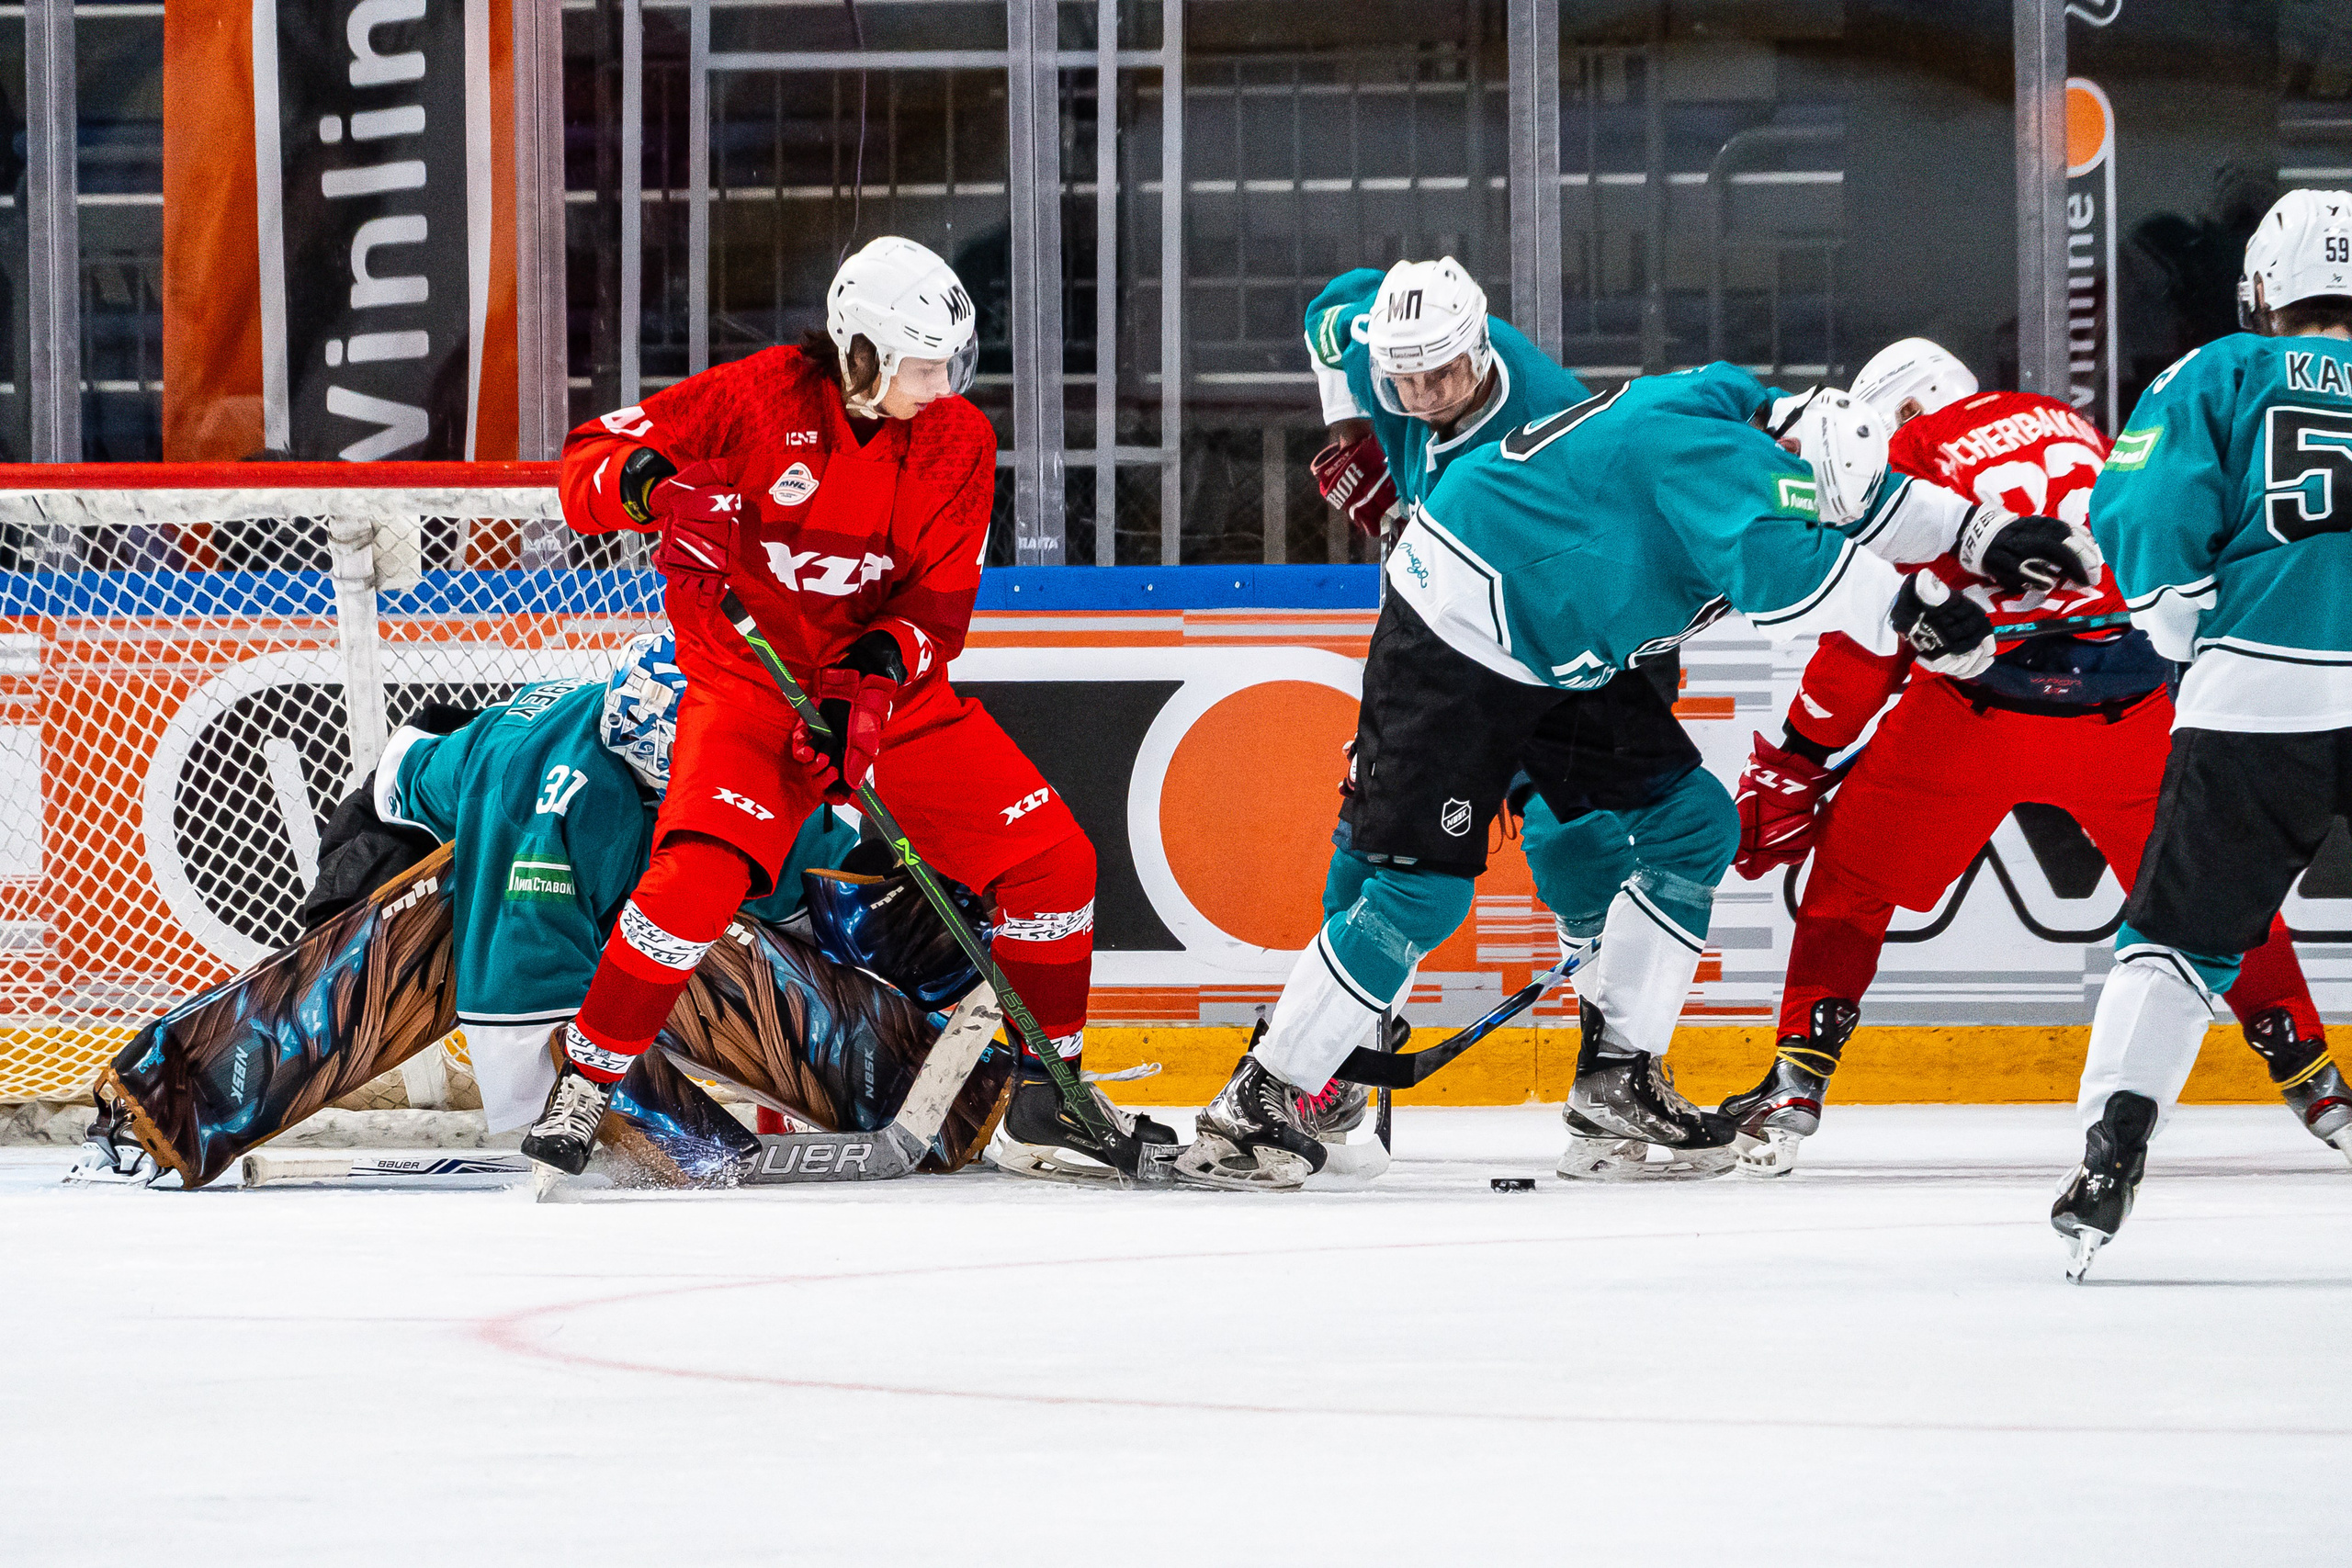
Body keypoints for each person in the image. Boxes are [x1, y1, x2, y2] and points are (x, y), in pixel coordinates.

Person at [1176, 360, 2106, 1189]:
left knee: (1691, 825)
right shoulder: (1743, 503)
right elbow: (1850, 592)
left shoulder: (1742, 403)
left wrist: (1984, 531)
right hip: (1457, 631)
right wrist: (1927, 611)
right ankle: (1262, 1099)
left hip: (1559, 638)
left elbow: (1868, 500)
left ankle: (1616, 1083)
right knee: (1418, 896)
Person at [532, 235, 1173, 1184]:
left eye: (949, 362)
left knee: (1051, 862)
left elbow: (937, 604)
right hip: (748, 687)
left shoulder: (959, 440)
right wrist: (656, 491)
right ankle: (586, 1084)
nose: (939, 383)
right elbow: (589, 463)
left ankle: (1046, 1101)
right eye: (920, 363)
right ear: (860, 350)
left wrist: (871, 686)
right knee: (698, 880)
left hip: (885, 700)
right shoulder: (756, 399)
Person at [1720, 337, 2337, 1177]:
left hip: (1984, 710)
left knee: (1849, 885)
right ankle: (2313, 1073)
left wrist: (1797, 760)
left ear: (1897, 408)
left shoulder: (1910, 450)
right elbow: (2153, 532)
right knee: (2217, 887)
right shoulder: (2071, 422)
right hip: (2128, 707)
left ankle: (1797, 1081)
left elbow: (1873, 638)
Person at [2054, 188, 2352, 1277]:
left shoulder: (2215, 371)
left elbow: (2139, 517)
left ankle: (2109, 1160)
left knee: (2176, 944)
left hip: (2257, 697)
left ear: (2266, 286)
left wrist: (2185, 630)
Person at [1300, 258, 1647, 1139]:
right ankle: (1331, 1054)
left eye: (1440, 377)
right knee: (1371, 842)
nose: (1421, 398)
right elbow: (1324, 313)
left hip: (1543, 642)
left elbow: (1601, 559)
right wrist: (1355, 432)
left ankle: (1611, 1063)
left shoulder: (1547, 418)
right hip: (1442, 640)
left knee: (1581, 838)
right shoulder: (1396, 355)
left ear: (1480, 344)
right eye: (1401, 382)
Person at [373, 634, 856, 1130]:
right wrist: (591, 1121)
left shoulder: (720, 749)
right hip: (400, 834)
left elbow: (816, 882)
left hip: (586, 788)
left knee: (713, 902)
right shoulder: (555, 801)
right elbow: (523, 977)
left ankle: (779, 1110)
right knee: (631, 950)